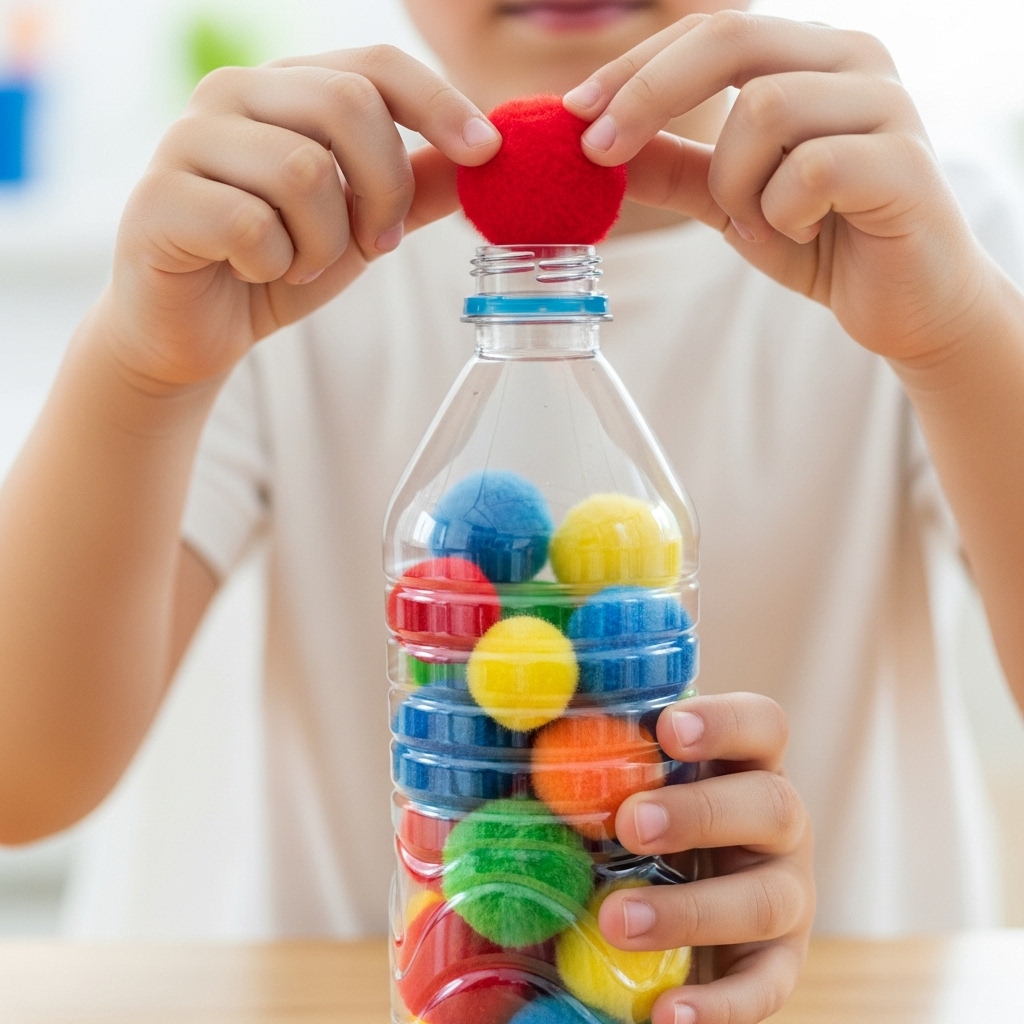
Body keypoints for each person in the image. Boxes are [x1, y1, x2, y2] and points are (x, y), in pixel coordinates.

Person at [1, 1, 1023, 1021]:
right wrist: (141, 370)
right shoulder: (260, 241)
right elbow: (21, 778)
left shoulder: (926, 228)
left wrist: (956, 332)